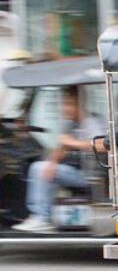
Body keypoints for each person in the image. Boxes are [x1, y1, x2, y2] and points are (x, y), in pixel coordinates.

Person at [13, 86, 105, 233]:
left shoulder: (92, 122)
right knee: (41, 168)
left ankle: (42, 217)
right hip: (77, 171)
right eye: (63, 104)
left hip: (92, 175)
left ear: (78, 104)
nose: (64, 109)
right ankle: (42, 214)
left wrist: (74, 143)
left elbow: (104, 146)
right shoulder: (71, 124)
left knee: (38, 168)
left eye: (67, 104)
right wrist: (52, 163)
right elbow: (62, 147)